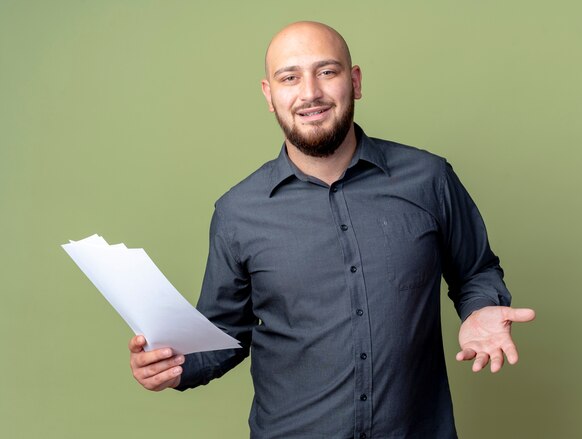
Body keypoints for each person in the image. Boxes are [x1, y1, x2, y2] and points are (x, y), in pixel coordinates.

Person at [128, 21, 535, 438]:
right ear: (270, 95)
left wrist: (481, 306)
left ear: (354, 81)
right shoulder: (237, 213)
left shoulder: (429, 179)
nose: (310, 93)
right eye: (290, 77)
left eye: (327, 72)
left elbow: (475, 272)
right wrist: (172, 365)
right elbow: (224, 335)